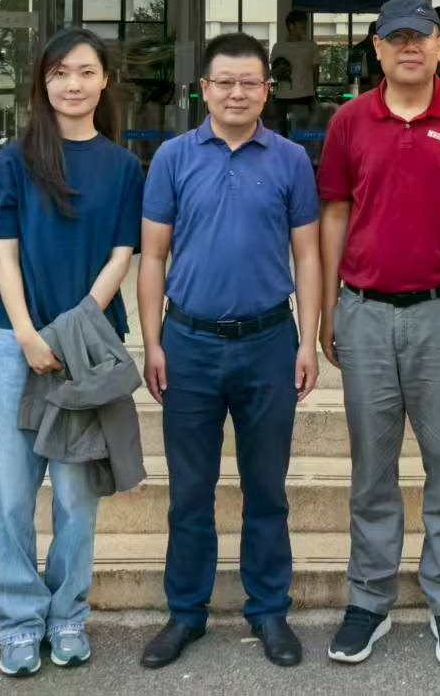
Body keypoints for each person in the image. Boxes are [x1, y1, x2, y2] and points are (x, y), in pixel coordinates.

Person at [316, 0, 440, 669]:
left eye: (419, 36)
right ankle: (368, 599)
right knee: (372, 466)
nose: (408, 47)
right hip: (365, 312)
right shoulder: (349, 121)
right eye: (394, 37)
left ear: (439, 45)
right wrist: (328, 307)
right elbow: (334, 213)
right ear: (376, 47)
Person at [137, 33, 323, 671]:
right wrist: (152, 341)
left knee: (266, 487)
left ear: (268, 90)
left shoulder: (291, 159)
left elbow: (307, 255)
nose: (237, 93)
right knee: (190, 490)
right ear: (204, 89)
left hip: (269, 342)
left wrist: (307, 339)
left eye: (250, 82)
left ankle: (269, 609)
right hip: (188, 344)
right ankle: (185, 612)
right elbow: (152, 256)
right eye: (225, 82)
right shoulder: (172, 158)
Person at [0, 28, 144, 676]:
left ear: (105, 80)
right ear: (43, 83)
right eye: (60, 73)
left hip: (87, 348)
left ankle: (68, 615)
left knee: (76, 495)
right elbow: (4, 255)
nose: (73, 84)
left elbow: (122, 255)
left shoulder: (124, 167)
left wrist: (73, 329)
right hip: (15, 345)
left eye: (86, 71)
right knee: (12, 495)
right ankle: (19, 621)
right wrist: (27, 332)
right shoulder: (14, 161)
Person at [269, 10, 319, 136]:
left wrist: (314, 91)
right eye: (301, 23)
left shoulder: (311, 46)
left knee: (302, 134)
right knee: (282, 134)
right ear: (291, 26)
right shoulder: (278, 47)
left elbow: (315, 71)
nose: (304, 26)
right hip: (283, 97)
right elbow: (273, 74)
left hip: (305, 95)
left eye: (305, 23)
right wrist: (280, 70)